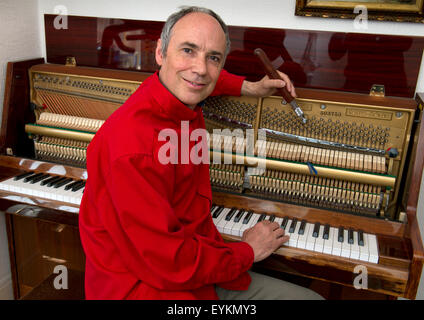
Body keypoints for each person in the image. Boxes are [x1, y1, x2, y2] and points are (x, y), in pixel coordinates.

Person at [79, 6, 323, 300]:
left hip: (189, 264)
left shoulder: (175, 91)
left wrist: (250, 87)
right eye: (188, 50)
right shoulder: (132, 149)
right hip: (149, 289)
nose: (200, 69)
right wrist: (246, 251)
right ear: (161, 52)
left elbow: (200, 78)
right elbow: (168, 262)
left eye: (213, 58)